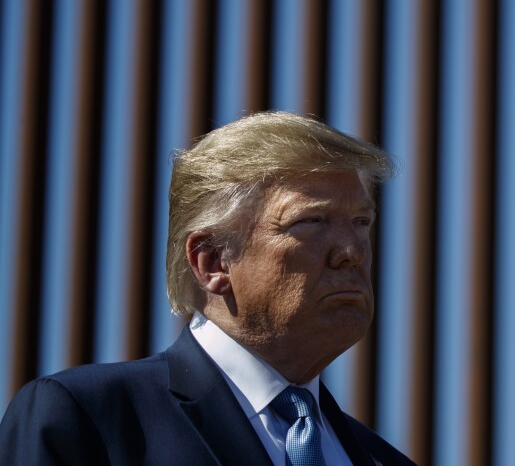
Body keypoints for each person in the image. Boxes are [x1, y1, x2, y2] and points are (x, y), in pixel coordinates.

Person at [0, 111, 415, 465]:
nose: (351, 251)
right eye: (311, 222)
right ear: (213, 261)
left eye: (361, 223)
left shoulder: (384, 458)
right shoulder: (87, 420)